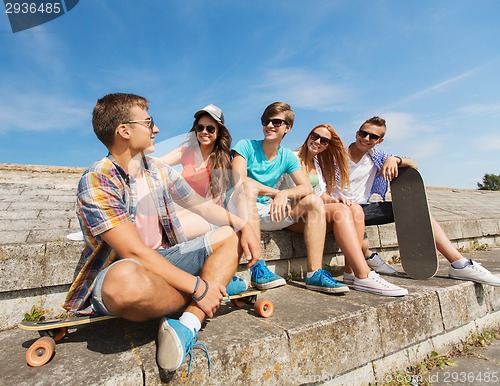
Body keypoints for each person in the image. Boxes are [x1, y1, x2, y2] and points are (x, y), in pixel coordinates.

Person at [63, 93, 261, 374]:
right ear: (125, 130)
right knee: (124, 285)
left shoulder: (158, 170)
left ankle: (190, 322)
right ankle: (215, 283)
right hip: (127, 269)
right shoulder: (98, 178)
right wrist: (201, 287)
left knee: (229, 233)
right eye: (149, 122)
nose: (156, 129)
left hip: (166, 260)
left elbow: (202, 206)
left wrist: (244, 225)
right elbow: (134, 252)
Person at [339, 116, 500, 286]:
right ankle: (368, 256)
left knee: (415, 209)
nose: (366, 139)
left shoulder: (376, 157)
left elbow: (413, 164)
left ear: (379, 141)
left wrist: (395, 160)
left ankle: (459, 264)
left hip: (364, 208)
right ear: (357, 133)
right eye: (363, 133)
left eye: (373, 137)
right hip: (340, 209)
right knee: (360, 238)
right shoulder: (337, 153)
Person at [231, 102, 348, 293]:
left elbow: (306, 188)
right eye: (266, 121)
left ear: (288, 127)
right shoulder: (246, 146)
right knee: (248, 186)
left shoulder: (287, 156)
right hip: (241, 209)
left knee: (313, 201)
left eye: (276, 122)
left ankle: (315, 274)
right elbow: (240, 182)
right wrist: (277, 193)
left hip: (265, 212)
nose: (269, 125)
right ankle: (258, 268)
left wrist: (285, 194)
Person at [282, 124, 408, 296]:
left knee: (354, 208)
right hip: (292, 214)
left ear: (328, 145)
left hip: (313, 213)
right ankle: (365, 274)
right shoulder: (292, 157)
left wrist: (334, 199)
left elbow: (321, 194)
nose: (318, 142)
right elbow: (302, 194)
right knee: (341, 211)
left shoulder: (317, 164)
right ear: (308, 135)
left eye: (324, 141)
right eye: (315, 136)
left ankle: (351, 273)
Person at [161, 103, 247, 294]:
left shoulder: (224, 160)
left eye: (210, 128)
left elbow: (211, 203)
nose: (204, 132)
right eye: (200, 128)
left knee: (170, 223)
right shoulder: (186, 151)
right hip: (185, 211)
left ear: (219, 132)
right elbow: (159, 163)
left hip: (208, 217)